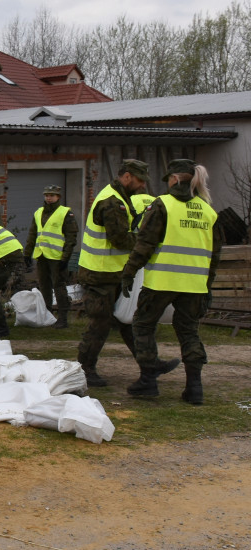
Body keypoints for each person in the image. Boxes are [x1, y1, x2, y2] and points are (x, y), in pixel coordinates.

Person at [122, 160, 222, 404]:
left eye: (168, 178)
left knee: (143, 325)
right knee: (188, 331)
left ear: (175, 179)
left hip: (162, 282)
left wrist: (129, 271)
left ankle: (148, 380)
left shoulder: (162, 205)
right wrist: (207, 287)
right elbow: (215, 255)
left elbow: (145, 243)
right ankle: (194, 388)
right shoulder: (208, 211)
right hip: (195, 285)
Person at [76, 159, 179, 387]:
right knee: (100, 323)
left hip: (112, 272)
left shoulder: (120, 198)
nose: (143, 185)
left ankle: (150, 364)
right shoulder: (112, 202)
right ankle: (84, 369)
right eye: (140, 180)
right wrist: (147, 242)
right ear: (127, 176)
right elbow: (120, 239)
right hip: (99, 274)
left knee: (129, 321)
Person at [22, 185, 77, 329]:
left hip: (57, 257)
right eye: (46, 195)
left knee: (59, 286)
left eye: (52, 195)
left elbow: (71, 238)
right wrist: (27, 254)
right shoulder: (38, 212)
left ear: (58, 197)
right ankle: (47, 315)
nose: (48, 198)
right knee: (44, 286)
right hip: (41, 255)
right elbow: (32, 235)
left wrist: (66, 258)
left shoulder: (65, 213)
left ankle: (63, 318)